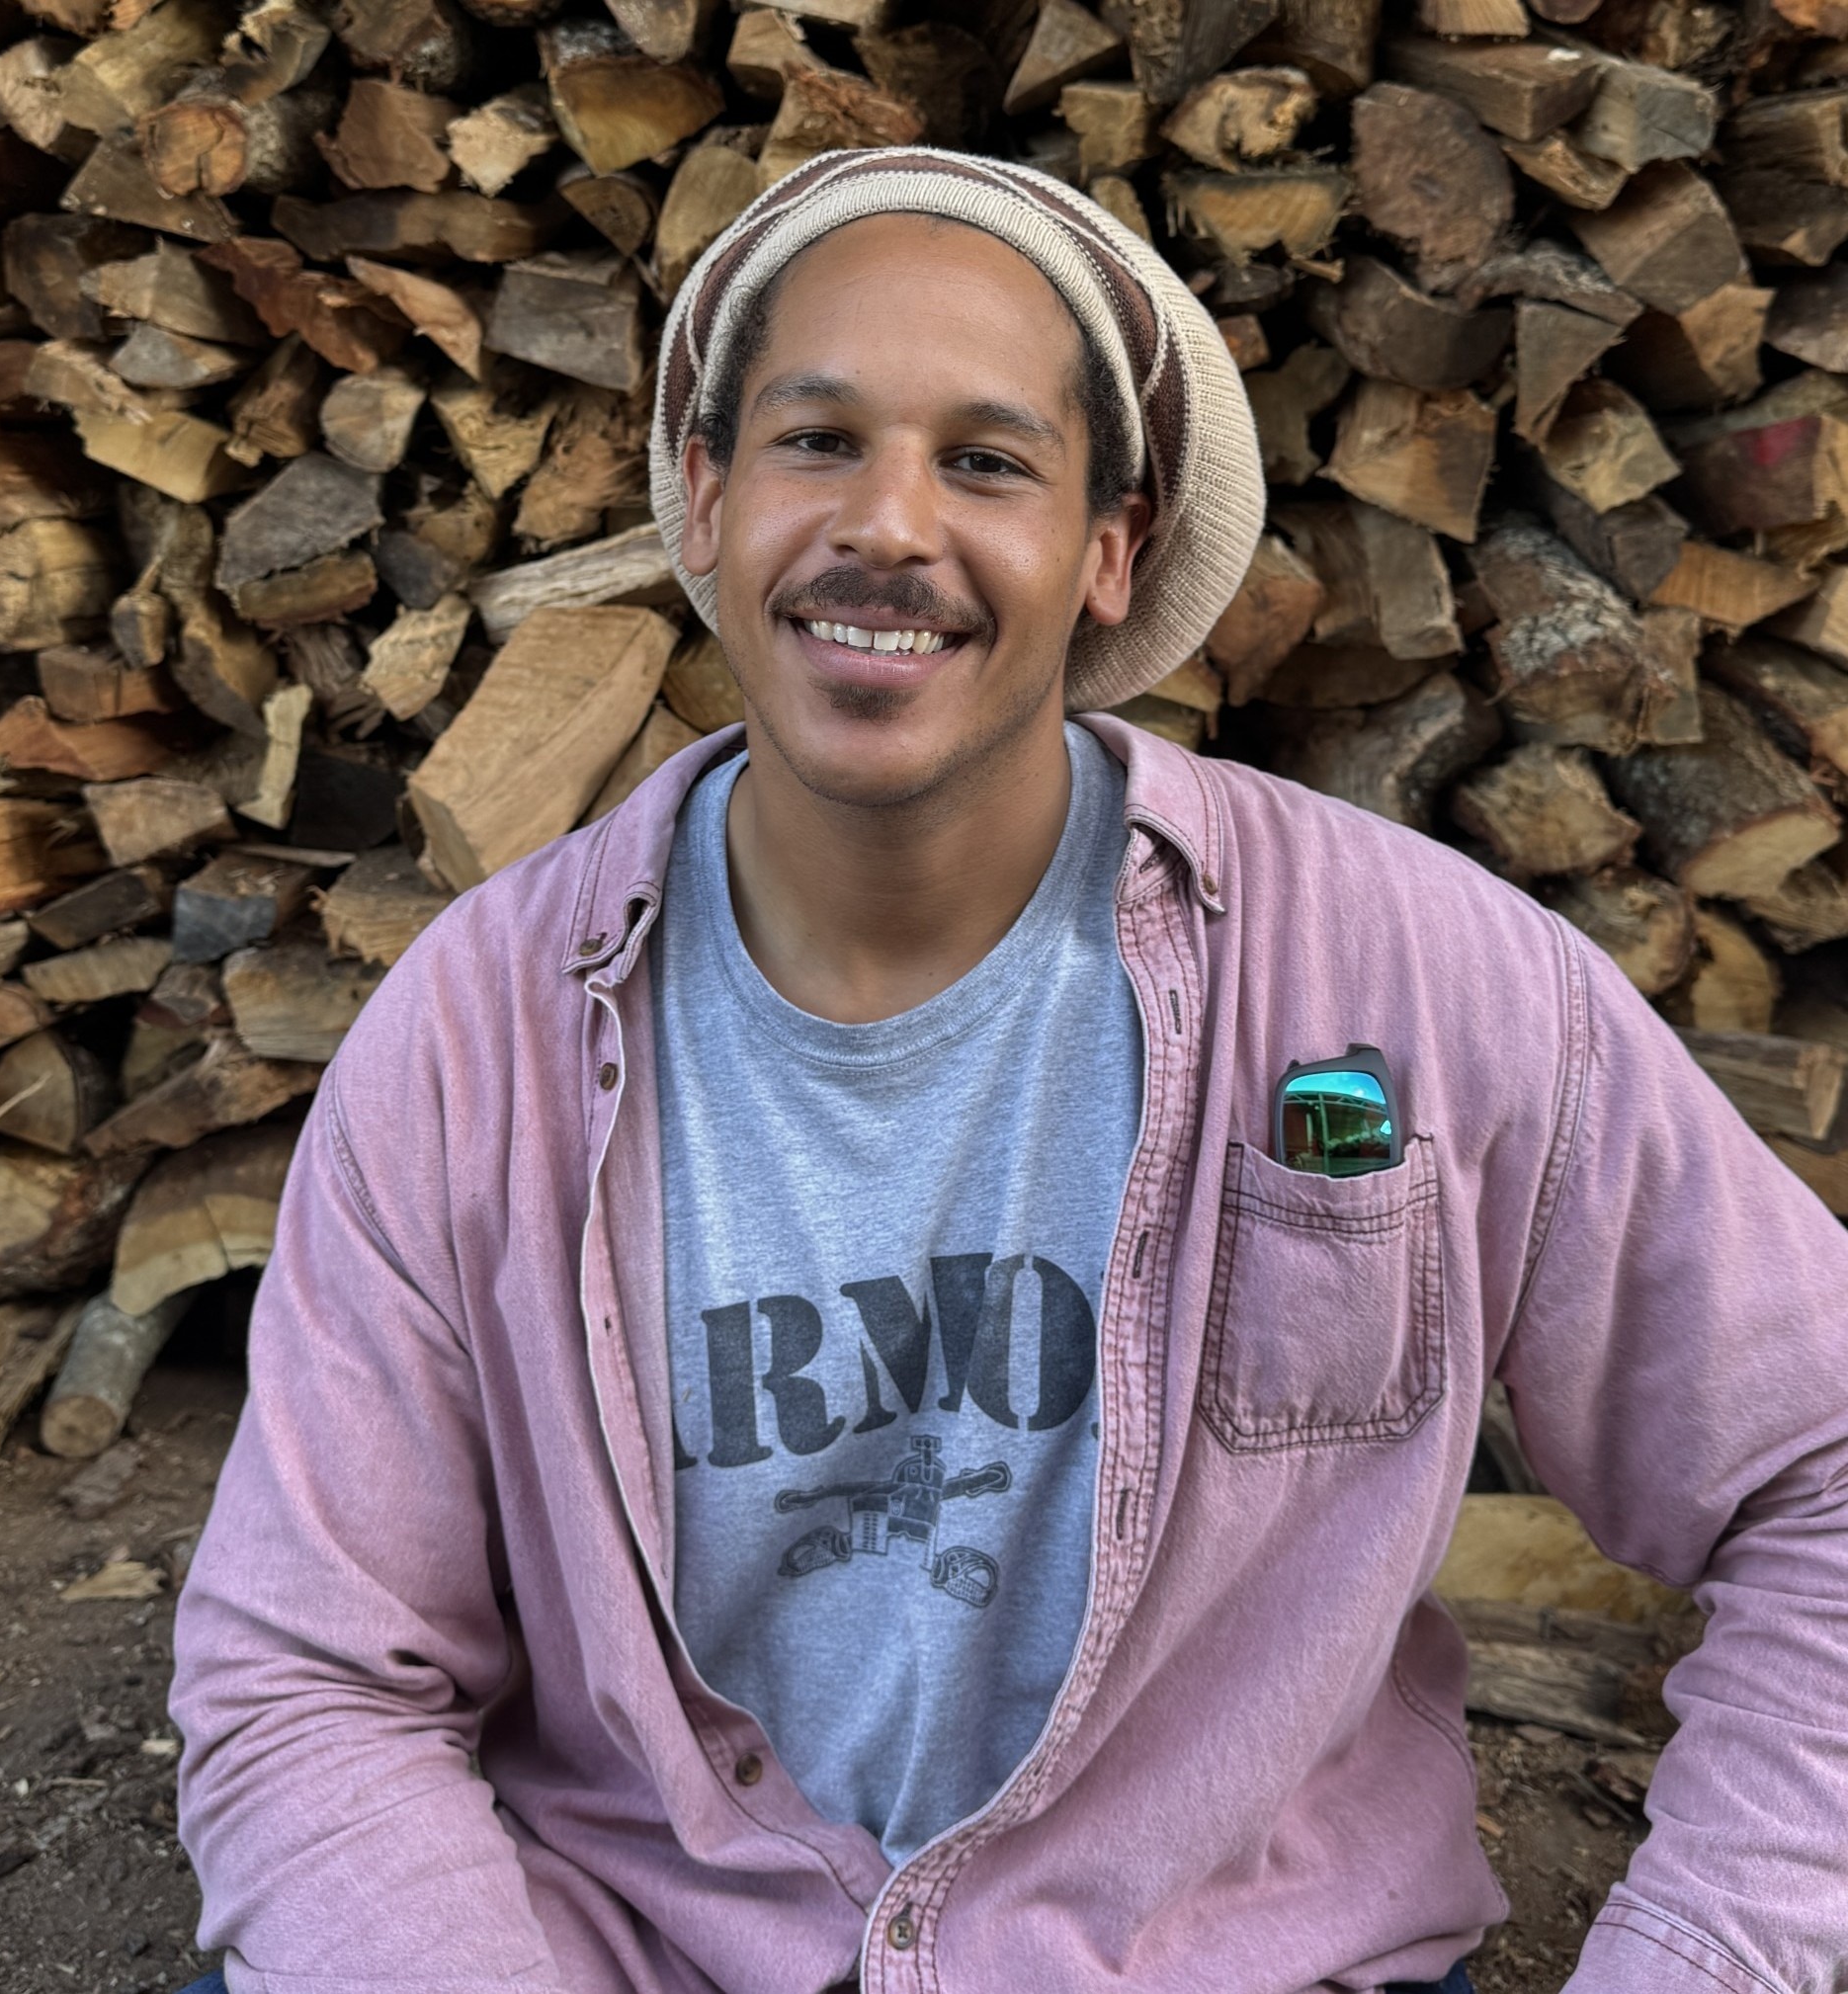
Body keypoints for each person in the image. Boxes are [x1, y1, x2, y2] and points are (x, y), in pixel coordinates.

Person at [167, 148, 1848, 1994]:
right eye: (818, 441)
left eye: (986, 461)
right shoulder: (473, 1042)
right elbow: (311, 1669)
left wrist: (1708, 1957)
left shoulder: (1415, 981)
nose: (891, 523)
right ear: (706, 500)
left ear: (1110, 546)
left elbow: (1820, 1463)